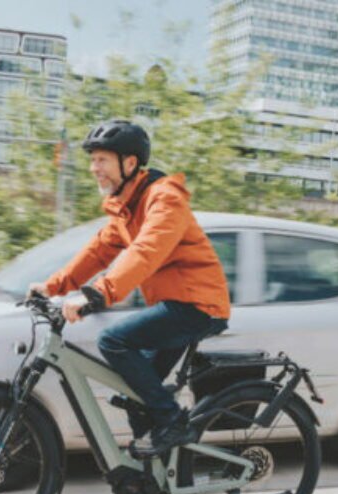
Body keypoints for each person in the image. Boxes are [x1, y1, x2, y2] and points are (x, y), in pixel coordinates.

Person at [29, 119, 231, 462]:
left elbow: (146, 251)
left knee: (114, 341)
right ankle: (149, 482)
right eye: (92, 160)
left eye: (102, 160)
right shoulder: (126, 207)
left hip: (198, 305)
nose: (95, 169)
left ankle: (172, 421)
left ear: (130, 163)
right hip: (174, 305)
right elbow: (97, 252)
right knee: (137, 396)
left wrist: (97, 294)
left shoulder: (165, 199)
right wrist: (52, 286)